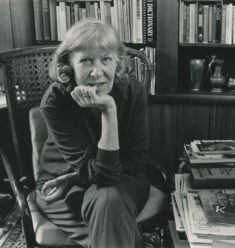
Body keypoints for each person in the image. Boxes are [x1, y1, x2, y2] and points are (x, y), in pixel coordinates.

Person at [35, 19, 150, 248]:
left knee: (109, 199)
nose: (98, 72)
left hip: (123, 180)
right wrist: (76, 177)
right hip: (64, 188)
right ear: (68, 65)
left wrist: (108, 108)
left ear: (117, 62)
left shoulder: (133, 91)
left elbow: (134, 161)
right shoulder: (55, 101)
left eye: (106, 59)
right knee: (112, 213)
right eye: (86, 60)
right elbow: (101, 175)